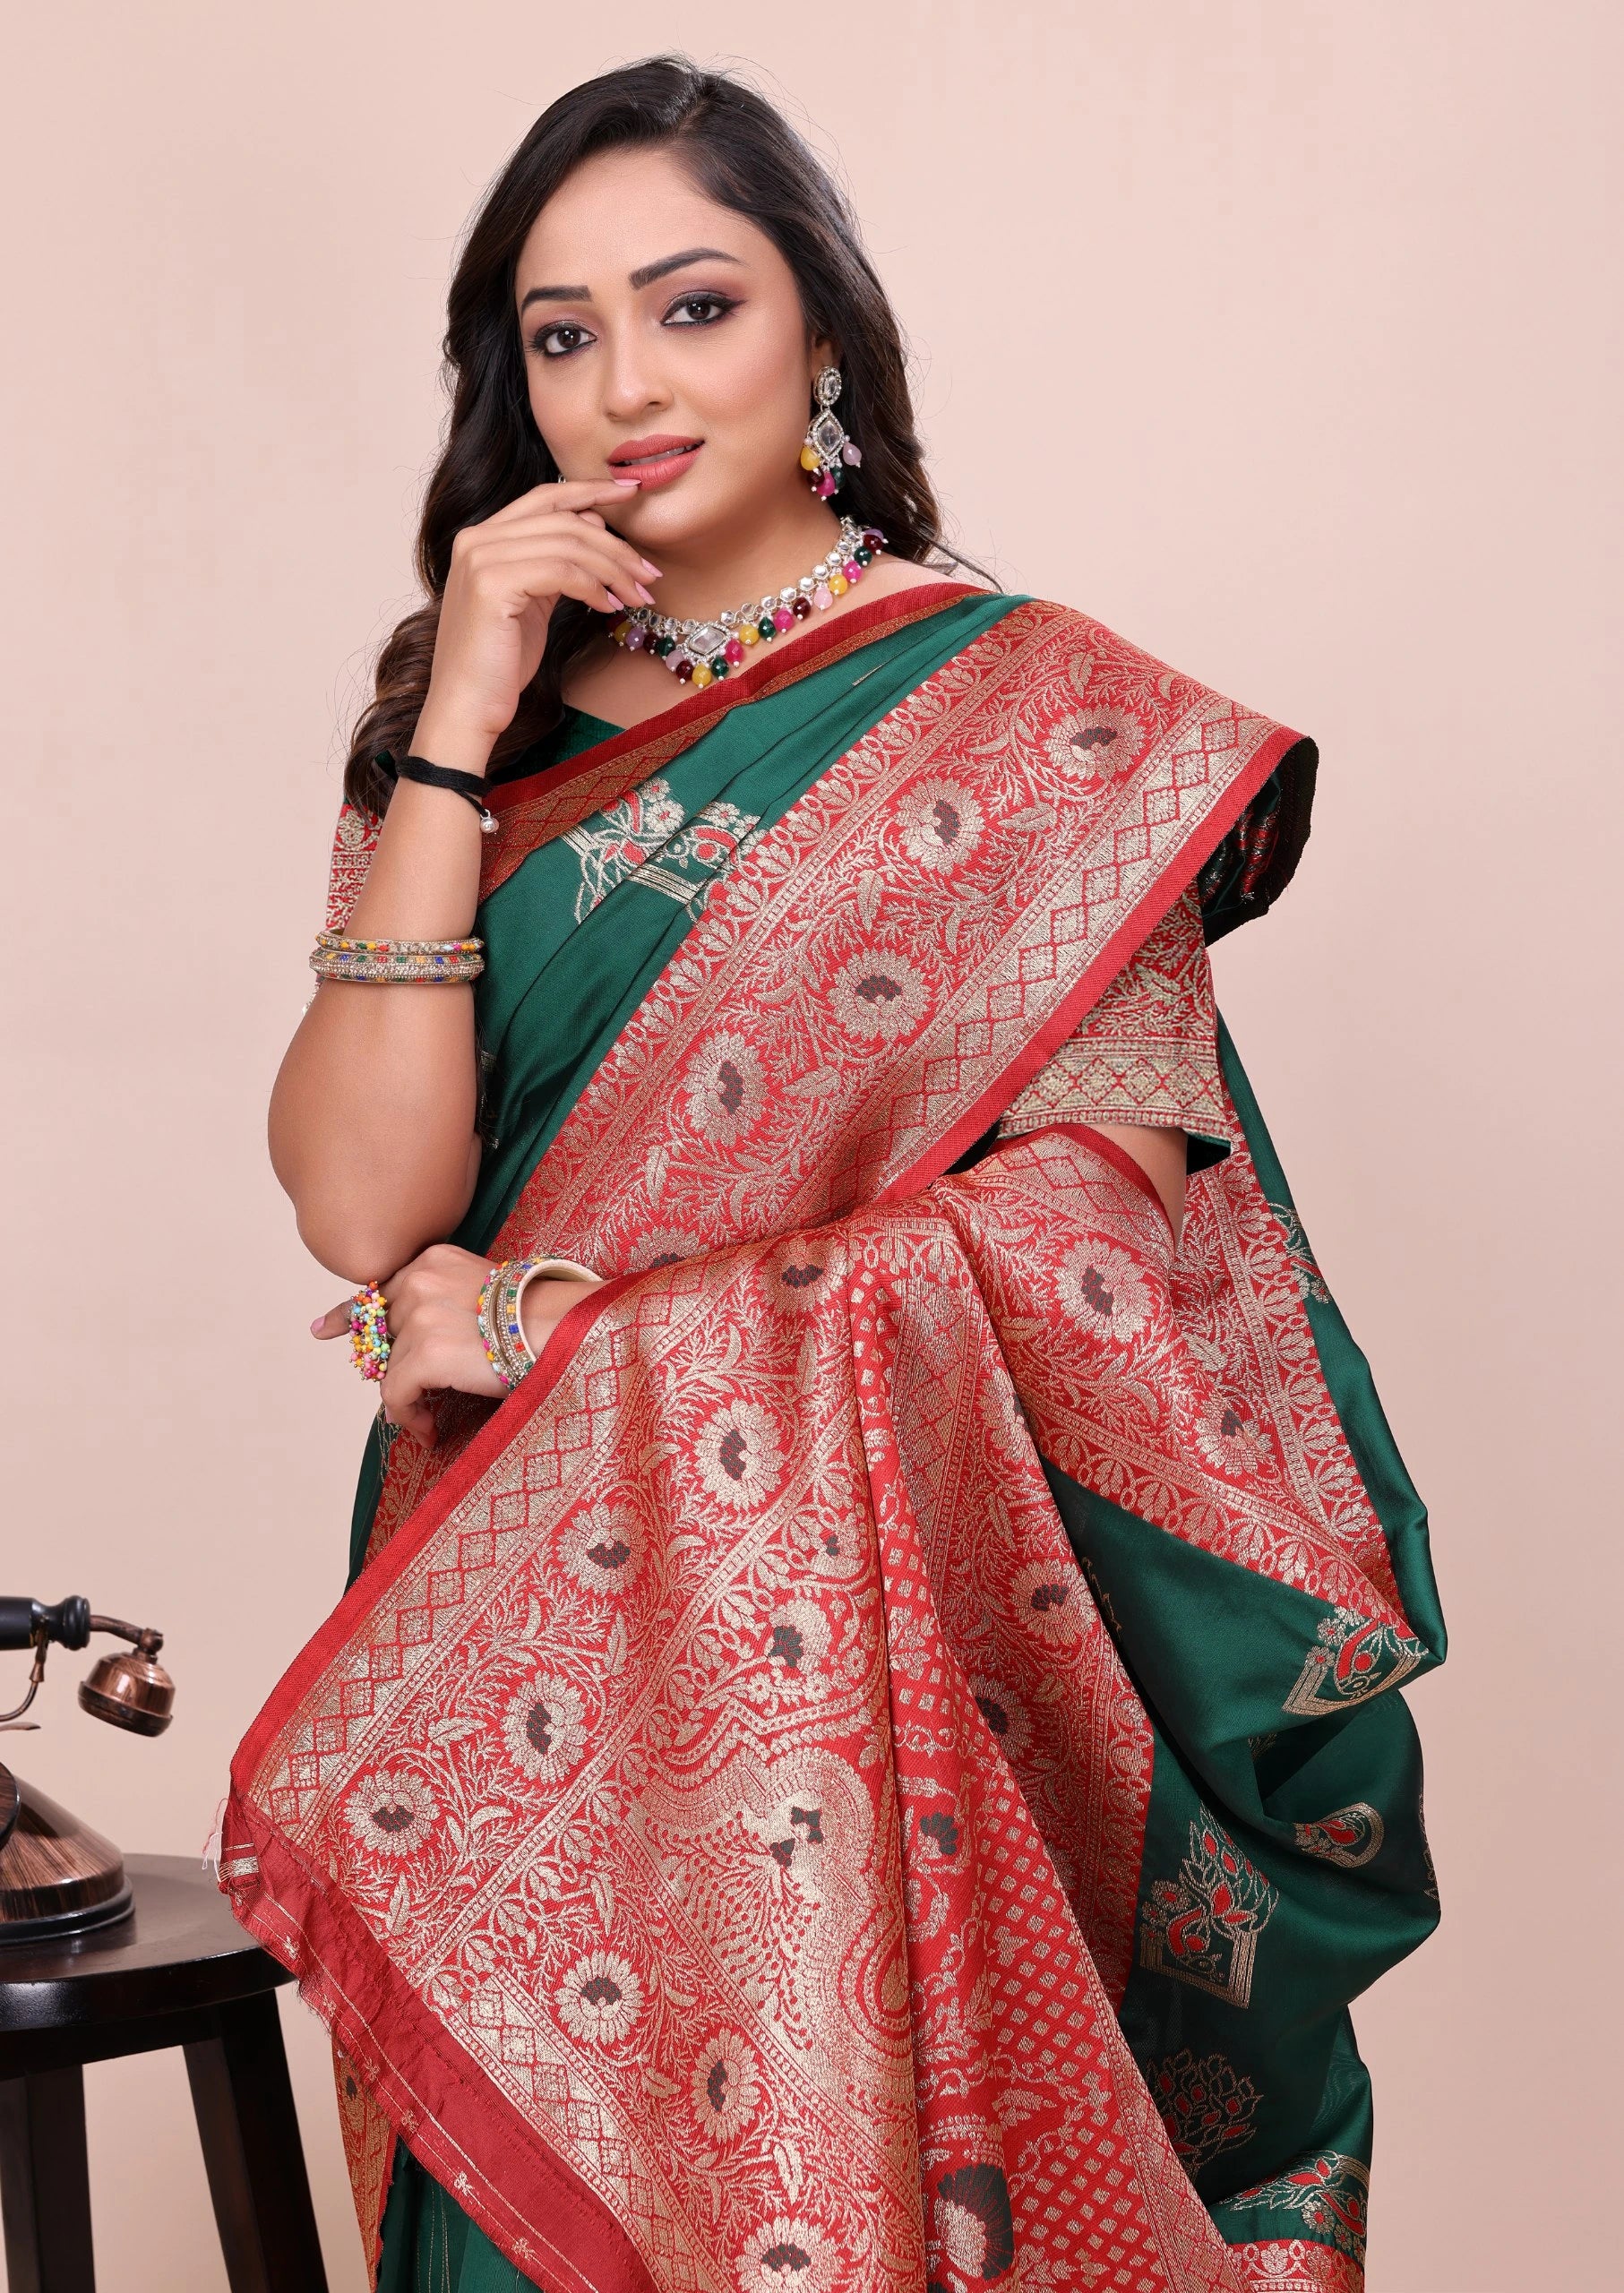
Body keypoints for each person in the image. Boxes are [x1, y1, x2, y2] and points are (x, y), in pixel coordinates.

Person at [222, 54, 1444, 2293]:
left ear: (824, 343)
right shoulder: (469, 730)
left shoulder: (1043, 727)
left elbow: (1090, 1247)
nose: (623, 384)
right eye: (561, 333)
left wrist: (582, 1324)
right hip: (513, 1626)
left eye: (692, 306)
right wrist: (457, 721)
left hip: (885, 1670)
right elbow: (364, 1220)